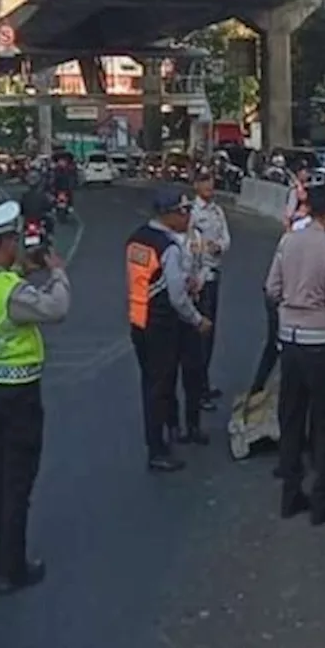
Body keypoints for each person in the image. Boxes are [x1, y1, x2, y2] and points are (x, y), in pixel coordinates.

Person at [0, 200, 71, 595]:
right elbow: (55, 309)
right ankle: (14, 570)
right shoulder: (10, 292)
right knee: (17, 484)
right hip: (17, 395)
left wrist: (29, 269)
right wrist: (57, 273)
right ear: (6, 242)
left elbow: (10, 291)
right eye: (15, 240)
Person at [265, 182, 325, 526]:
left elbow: (271, 288)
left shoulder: (288, 242)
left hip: (289, 340)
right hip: (319, 342)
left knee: (291, 417)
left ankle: (290, 495)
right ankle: (321, 501)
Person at [127, 190, 214, 466]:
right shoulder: (168, 248)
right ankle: (159, 450)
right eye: (183, 212)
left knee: (154, 384)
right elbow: (177, 296)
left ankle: (170, 433)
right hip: (165, 323)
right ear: (168, 215)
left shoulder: (137, 239)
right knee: (162, 385)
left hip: (141, 320)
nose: (187, 216)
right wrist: (198, 320)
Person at [190, 170, 231, 406]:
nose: (209, 185)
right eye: (204, 181)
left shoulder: (217, 211)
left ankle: (204, 382)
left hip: (215, 273)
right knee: (200, 336)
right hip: (200, 277)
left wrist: (220, 247)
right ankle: (197, 390)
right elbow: (190, 243)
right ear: (196, 185)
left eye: (210, 180)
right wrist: (207, 248)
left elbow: (226, 239)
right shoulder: (193, 213)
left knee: (210, 334)